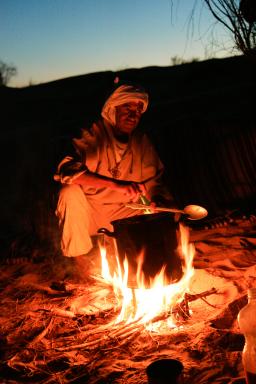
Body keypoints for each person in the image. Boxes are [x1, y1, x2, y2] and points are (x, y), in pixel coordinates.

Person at [54, 83, 175, 275]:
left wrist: (155, 199)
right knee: (69, 192)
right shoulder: (91, 136)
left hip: (126, 212)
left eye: (138, 110)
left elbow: (154, 182)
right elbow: (67, 171)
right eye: (127, 108)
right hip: (91, 214)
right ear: (112, 108)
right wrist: (115, 184)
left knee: (163, 207)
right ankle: (81, 263)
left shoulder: (141, 141)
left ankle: (147, 259)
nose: (133, 115)